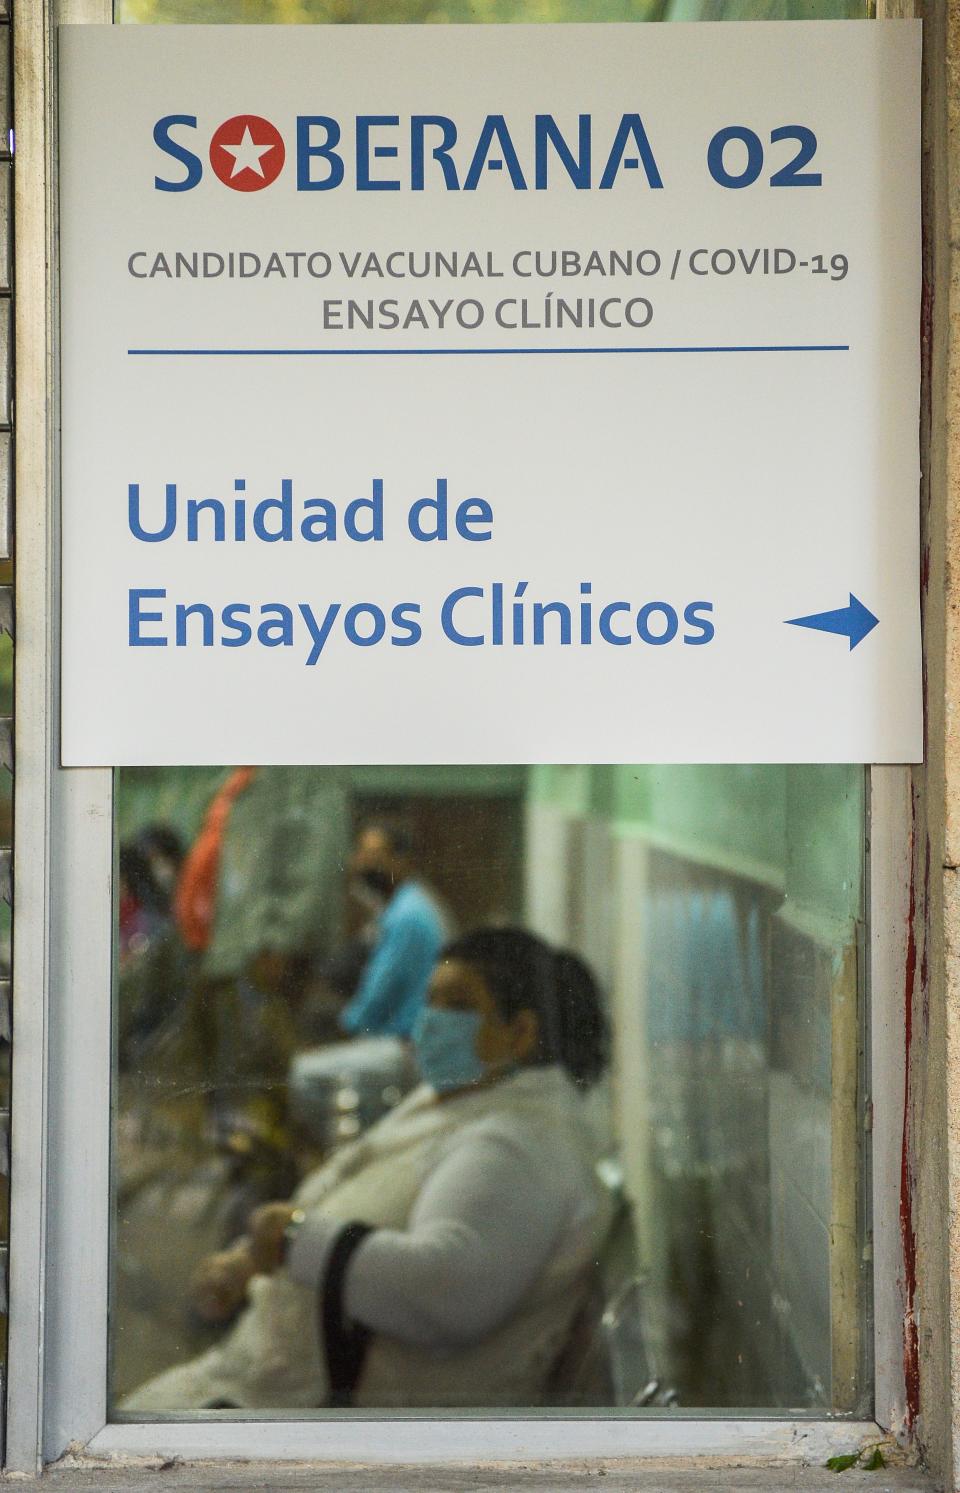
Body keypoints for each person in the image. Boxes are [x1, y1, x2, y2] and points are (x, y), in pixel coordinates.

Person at [123, 928, 612, 1411]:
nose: (430, 1020)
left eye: (456, 1005)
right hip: (268, 1385)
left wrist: (290, 1238)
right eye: (431, 1000)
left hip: (326, 1421)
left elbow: (446, 1290)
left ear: (521, 1033)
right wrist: (252, 1258)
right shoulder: (462, 1101)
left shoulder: (520, 1145)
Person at [337, 821, 448, 1039]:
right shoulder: (405, 904)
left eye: (376, 855)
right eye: (362, 854)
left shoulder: (407, 915)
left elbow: (380, 992)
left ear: (403, 861)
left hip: (404, 1042)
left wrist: (346, 1025)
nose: (364, 864)